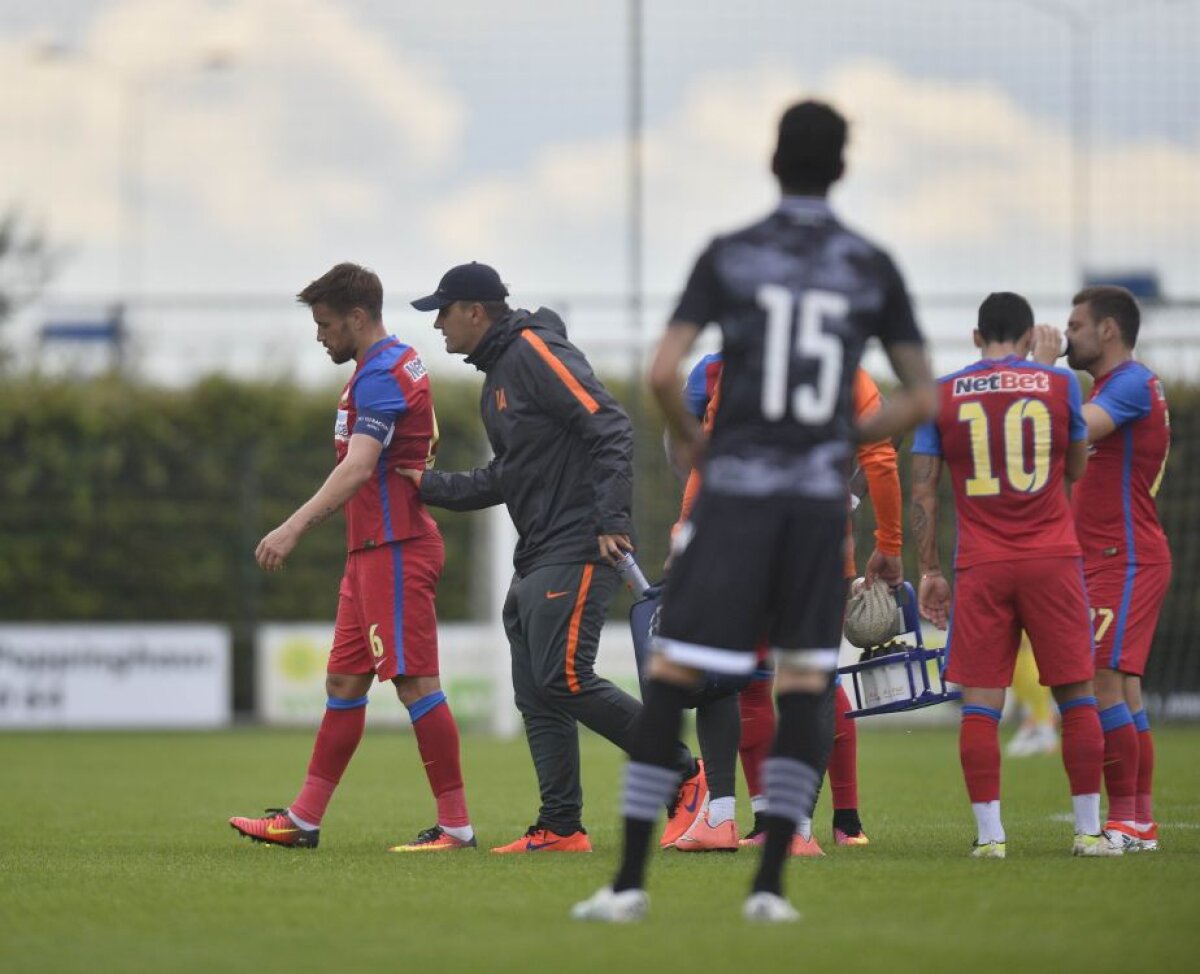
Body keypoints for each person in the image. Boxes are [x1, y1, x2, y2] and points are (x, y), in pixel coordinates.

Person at [572, 99, 935, 924]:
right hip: (815, 511)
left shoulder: (729, 255)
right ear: (842, 169)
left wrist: (703, 446)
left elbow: (665, 371)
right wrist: (841, 434)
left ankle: (628, 884)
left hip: (734, 502)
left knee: (673, 678)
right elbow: (920, 396)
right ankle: (770, 885)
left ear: (772, 164)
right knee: (805, 684)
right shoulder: (870, 263)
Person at [405, 261, 705, 854]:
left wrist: (612, 520)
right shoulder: (496, 380)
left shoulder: (533, 352)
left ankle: (682, 772)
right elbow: (506, 478)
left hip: (578, 545)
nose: (437, 325)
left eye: (443, 311)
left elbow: (612, 426)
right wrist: (424, 485)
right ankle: (561, 827)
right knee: (539, 693)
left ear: (475, 311)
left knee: (566, 677)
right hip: (538, 555)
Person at [229, 262, 475, 852]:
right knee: (344, 680)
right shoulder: (384, 365)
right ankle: (304, 819)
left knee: (416, 683)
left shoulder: (383, 374)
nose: (320, 336)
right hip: (369, 552)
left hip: (396, 550)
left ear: (357, 317)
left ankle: (455, 827)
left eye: (326, 324)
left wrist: (291, 527)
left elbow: (360, 466)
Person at [911, 291, 1120, 860]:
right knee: (1077, 695)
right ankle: (1088, 833)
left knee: (981, 702)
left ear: (977, 338)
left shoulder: (943, 395)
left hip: (981, 562)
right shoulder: (1059, 386)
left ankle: (990, 839)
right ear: (1031, 338)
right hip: (1053, 556)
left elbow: (924, 489)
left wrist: (929, 569)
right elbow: (1076, 468)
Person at [670, 356, 901, 854]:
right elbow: (881, 455)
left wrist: (686, 528)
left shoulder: (734, 366)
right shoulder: (845, 368)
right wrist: (889, 543)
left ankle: (725, 818)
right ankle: (797, 826)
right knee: (812, 683)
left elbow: (701, 455)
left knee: (728, 675)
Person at [1031, 285, 1171, 851]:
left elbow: (1069, 429)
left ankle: (1126, 822)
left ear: (1108, 330)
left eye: (1076, 325)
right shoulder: (1114, 386)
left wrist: (1039, 372)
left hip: (1125, 557)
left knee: (1100, 683)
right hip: (1109, 557)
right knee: (1123, 691)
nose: (1068, 336)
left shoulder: (1132, 383)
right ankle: (1137, 820)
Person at [1006, 634, 1059, 758]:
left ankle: (1046, 739)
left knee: (1041, 706)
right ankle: (1034, 737)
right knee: (1036, 707)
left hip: (1029, 665)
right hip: (1022, 667)